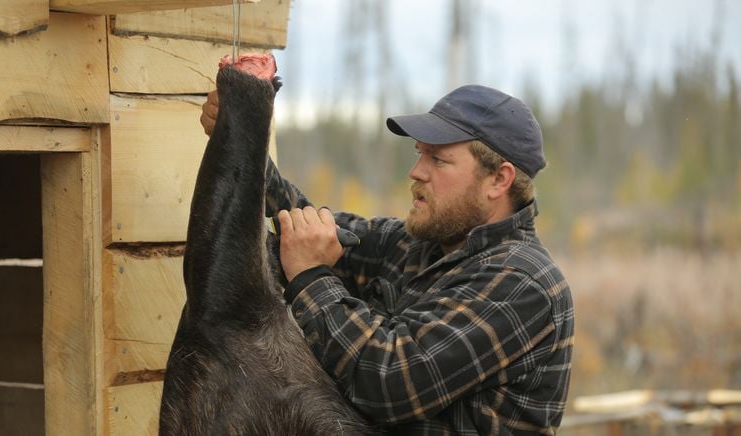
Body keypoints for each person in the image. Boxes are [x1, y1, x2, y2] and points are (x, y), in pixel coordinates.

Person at [200, 83, 574, 435]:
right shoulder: (422, 243)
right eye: (419, 154)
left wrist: (311, 276)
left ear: (498, 180)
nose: (415, 172)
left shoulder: (522, 283)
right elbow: (315, 229)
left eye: (438, 160)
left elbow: (389, 380)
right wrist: (244, 145)